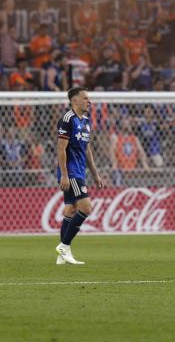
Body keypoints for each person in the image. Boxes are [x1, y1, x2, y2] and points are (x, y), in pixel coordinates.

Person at [55, 86, 106, 265]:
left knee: (70, 209)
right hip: (71, 172)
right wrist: (64, 175)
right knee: (86, 207)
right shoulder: (67, 119)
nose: (88, 101)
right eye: (85, 98)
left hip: (79, 171)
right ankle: (64, 246)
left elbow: (87, 150)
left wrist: (95, 174)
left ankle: (62, 254)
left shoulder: (85, 121)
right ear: (74, 100)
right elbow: (61, 149)